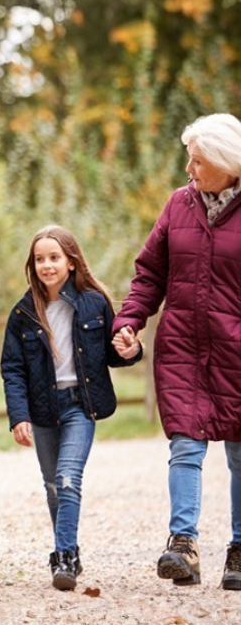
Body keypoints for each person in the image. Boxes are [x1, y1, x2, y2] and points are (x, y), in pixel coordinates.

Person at [112, 113, 241, 590]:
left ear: (228, 163)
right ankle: (181, 544)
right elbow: (150, 274)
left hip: (236, 351)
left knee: (239, 452)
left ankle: (240, 549)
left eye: (198, 161)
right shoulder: (178, 205)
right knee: (185, 444)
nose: (189, 169)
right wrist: (128, 322)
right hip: (183, 346)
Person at [0, 225, 142, 590]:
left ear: (72, 262)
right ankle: (70, 550)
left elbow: (113, 354)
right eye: (40, 259)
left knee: (67, 478)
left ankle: (63, 556)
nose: (47, 265)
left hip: (82, 405)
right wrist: (18, 416)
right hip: (44, 409)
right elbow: (12, 370)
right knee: (52, 486)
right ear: (33, 265)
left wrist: (132, 350)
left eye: (54, 258)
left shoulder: (95, 303)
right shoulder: (23, 314)